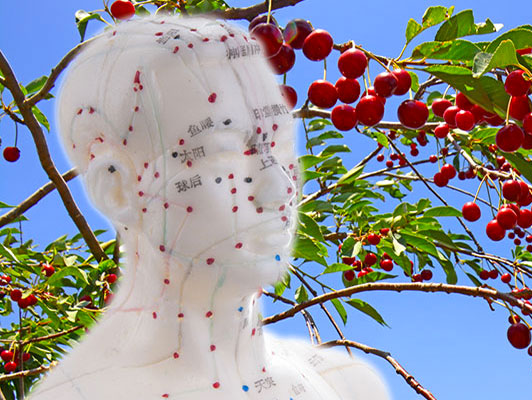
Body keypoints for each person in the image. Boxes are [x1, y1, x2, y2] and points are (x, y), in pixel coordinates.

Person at [28, 16, 389, 400]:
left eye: (280, 149)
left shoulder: (347, 384)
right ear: (116, 189)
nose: (282, 187)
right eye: (225, 151)